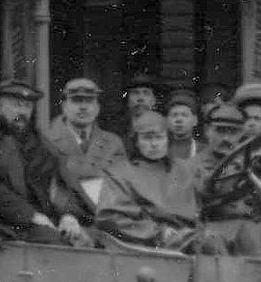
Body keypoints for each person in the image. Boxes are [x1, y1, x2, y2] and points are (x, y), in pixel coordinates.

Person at [0, 79, 88, 252]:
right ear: (0, 106)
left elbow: (59, 183)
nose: (23, 112)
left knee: (92, 239)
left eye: (27, 106)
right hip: (4, 225)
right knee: (58, 246)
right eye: (16, 105)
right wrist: (31, 216)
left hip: (45, 220)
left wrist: (69, 215)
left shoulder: (40, 144)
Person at [94, 110, 202, 249]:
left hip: (188, 239)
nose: (154, 144)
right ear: (136, 142)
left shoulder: (185, 170)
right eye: (147, 138)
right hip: (141, 245)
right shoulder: (119, 172)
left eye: (159, 137)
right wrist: (159, 233)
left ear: (168, 139)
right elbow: (109, 217)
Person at [44, 77, 127, 204]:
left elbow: (121, 187)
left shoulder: (114, 143)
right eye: (76, 101)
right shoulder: (47, 141)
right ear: (64, 106)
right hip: (65, 216)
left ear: (97, 107)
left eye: (89, 101)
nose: (83, 107)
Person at [164, 90, 200, 163]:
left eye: (184, 115)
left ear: (195, 120)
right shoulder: (158, 150)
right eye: (174, 115)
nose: (179, 120)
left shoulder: (204, 151)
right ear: (167, 120)